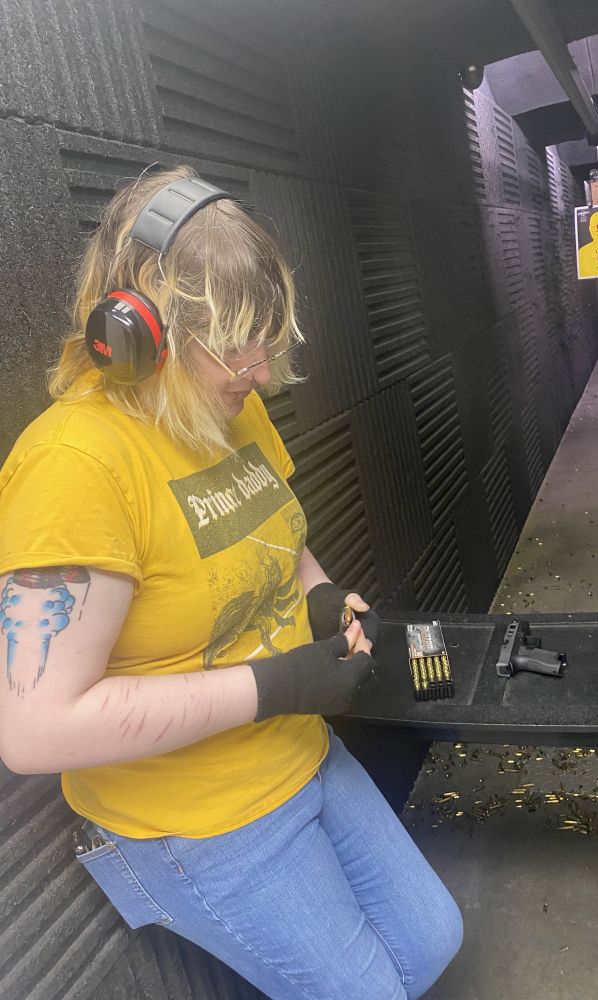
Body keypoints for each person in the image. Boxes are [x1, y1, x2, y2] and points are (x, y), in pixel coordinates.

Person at [0, 165, 462, 999]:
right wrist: (274, 684)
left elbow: (279, 539)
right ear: (139, 329)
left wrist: (320, 596)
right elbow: (34, 731)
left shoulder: (227, 407)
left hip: (297, 753)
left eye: (268, 347)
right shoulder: (75, 467)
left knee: (435, 939)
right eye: (236, 354)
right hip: (195, 822)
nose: (261, 378)